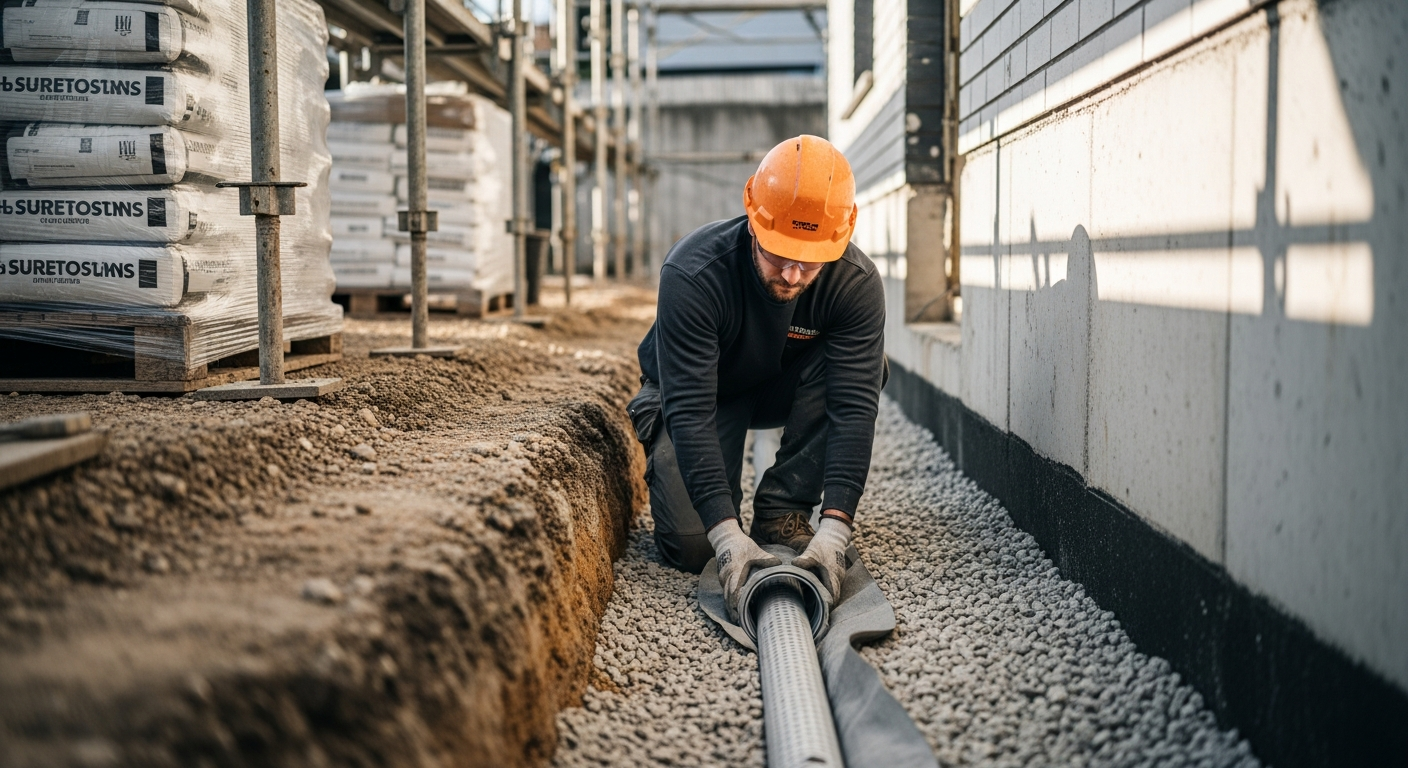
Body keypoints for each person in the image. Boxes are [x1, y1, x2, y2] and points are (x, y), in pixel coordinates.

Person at [627, 134, 887, 619]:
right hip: (703, 391)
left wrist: (835, 532)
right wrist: (726, 537)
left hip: (781, 384)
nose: (792, 275)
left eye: (809, 260)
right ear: (753, 217)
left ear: (841, 236)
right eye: (778, 253)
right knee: (691, 548)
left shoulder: (855, 284)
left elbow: (853, 408)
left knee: (864, 368)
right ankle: (727, 527)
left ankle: (780, 510)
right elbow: (689, 407)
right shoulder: (694, 273)